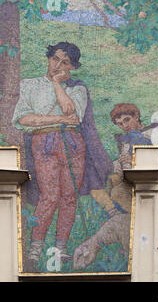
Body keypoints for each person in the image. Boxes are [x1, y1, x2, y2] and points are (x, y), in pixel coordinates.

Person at [12, 42, 113, 270]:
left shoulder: (77, 88)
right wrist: (57, 120)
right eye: (55, 58)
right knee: (50, 195)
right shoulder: (29, 85)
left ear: (72, 67)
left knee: (69, 196)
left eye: (64, 62)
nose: (57, 65)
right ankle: (35, 249)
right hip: (44, 141)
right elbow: (23, 119)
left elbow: (72, 113)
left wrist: (58, 83)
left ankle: (61, 249)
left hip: (72, 144)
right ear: (49, 57)